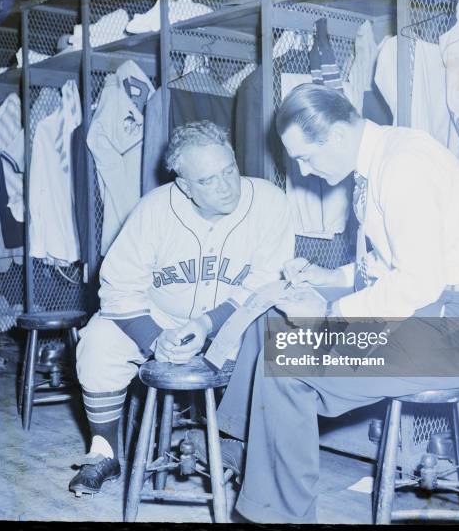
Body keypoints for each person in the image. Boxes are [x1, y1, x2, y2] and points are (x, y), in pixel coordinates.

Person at [232, 84, 459, 523]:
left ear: (338, 134)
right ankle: (243, 464)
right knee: (273, 317)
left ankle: (276, 514)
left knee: (284, 363)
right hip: (440, 313)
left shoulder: (403, 166)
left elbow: (420, 281)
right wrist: (331, 279)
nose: (302, 169)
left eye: (305, 156)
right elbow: (396, 261)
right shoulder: (383, 158)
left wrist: (328, 318)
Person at [69, 120, 294, 496]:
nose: (226, 186)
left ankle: (240, 447)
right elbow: (117, 288)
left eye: (229, 171)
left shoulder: (269, 201)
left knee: (274, 334)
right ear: (184, 186)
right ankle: (104, 453)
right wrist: (155, 339)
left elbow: (265, 284)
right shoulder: (154, 210)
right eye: (208, 181)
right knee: (98, 342)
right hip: (161, 320)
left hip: (235, 321)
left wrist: (209, 324)